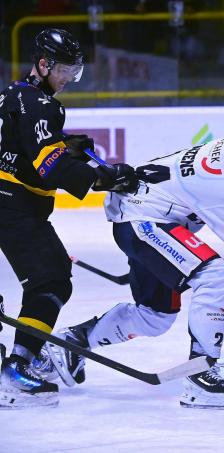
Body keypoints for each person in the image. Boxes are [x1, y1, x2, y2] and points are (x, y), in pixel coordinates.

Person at [45, 113, 224, 409]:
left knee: (154, 316)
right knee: (216, 276)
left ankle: (73, 343)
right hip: (144, 221)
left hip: (140, 216)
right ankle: (201, 373)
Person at [0, 28, 139, 409]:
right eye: (63, 70)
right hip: (13, 206)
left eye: (74, 72)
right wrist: (105, 177)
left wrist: (66, 145)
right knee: (51, 282)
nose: (67, 79)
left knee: (53, 273)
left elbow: (25, 145)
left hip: (9, 201)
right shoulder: (43, 105)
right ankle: (14, 371)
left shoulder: (13, 93)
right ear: (43, 64)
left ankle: (21, 354)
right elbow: (50, 167)